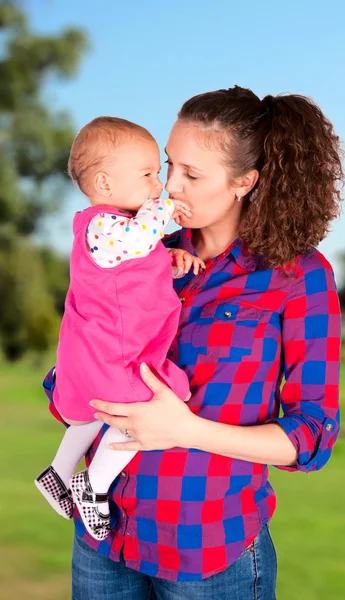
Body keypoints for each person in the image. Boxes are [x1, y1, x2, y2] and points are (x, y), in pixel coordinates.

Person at [47, 87, 345, 599]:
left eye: (192, 174)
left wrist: (185, 429)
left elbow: (311, 434)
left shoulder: (298, 277)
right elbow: (79, 352)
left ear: (243, 182)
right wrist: (72, 386)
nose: (169, 186)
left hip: (206, 553)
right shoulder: (138, 250)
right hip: (103, 541)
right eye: (168, 165)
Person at [35, 116, 204, 541]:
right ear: (106, 184)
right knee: (153, 407)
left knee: (98, 411)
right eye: (148, 174)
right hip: (118, 351)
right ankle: (93, 483)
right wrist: (166, 210)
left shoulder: (114, 233)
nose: (159, 186)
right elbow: (138, 237)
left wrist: (170, 260)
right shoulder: (104, 226)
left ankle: (57, 471)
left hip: (103, 350)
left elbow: (133, 265)